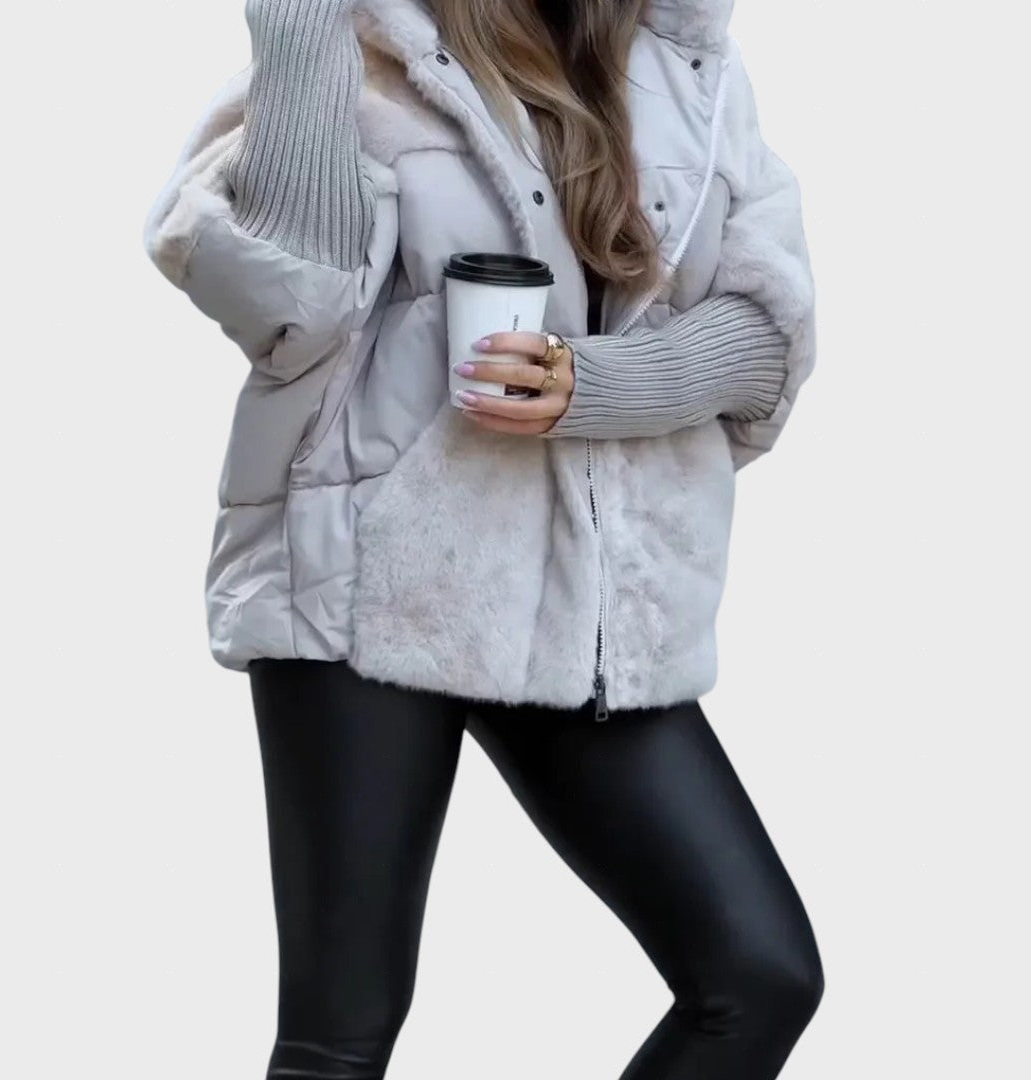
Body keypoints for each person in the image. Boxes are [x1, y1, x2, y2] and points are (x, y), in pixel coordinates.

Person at [141, 1, 824, 1077]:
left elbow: (765, 335)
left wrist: (589, 383)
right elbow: (290, 312)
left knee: (758, 972)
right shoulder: (359, 46)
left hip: (578, 598)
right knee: (339, 1037)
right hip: (362, 580)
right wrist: (298, 30)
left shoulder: (684, 62)